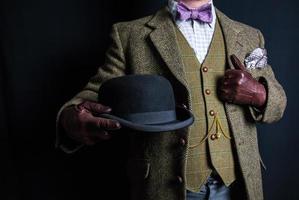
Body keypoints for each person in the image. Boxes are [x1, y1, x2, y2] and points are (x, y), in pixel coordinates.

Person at [56, 0, 287, 199]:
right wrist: (70, 118)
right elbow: (97, 92)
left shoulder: (249, 36)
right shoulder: (130, 35)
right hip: (167, 186)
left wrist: (259, 93)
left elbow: (279, 104)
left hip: (237, 185)